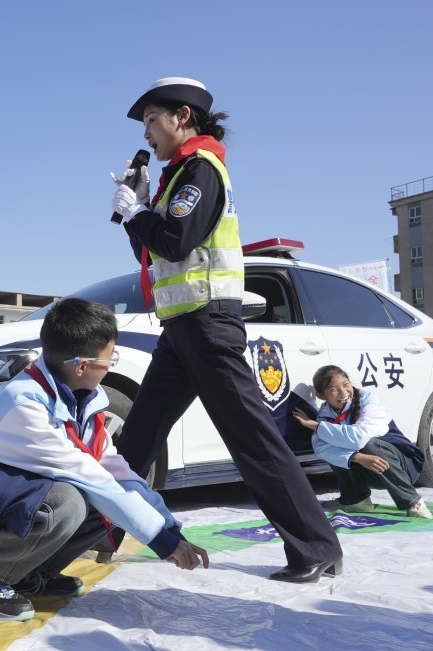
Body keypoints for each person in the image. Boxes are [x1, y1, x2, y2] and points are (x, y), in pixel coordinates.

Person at [110, 77, 342, 584]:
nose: (147, 133)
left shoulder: (201, 169)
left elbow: (173, 238)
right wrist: (139, 212)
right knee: (140, 436)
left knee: (252, 440)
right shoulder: (177, 176)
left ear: (182, 117)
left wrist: (142, 213)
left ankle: (316, 548)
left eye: (152, 119)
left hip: (209, 325)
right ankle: (96, 532)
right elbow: (155, 253)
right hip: (181, 329)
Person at [0, 298, 209, 621]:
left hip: (13, 489)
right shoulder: (25, 405)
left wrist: (170, 529)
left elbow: (116, 472)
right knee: (68, 502)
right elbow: (90, 477)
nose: (110, 365)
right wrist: (162, 543)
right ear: (81, 366)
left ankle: (29, 574)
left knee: (102, 508)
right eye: (109, 358)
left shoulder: (83, 403)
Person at [294, 366, 431, 519]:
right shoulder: (325, 415)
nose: (344, 393)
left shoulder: (368, 401)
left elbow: (359, 438)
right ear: (321, 395)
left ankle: (413, 501)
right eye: (334, 389)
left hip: (404, 466)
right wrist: (356, 458)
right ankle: (356, 500)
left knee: (367, 444)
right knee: (333, 443)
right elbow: (320, 448)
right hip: (372, 469)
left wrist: (315, 425)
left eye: (346, 385)